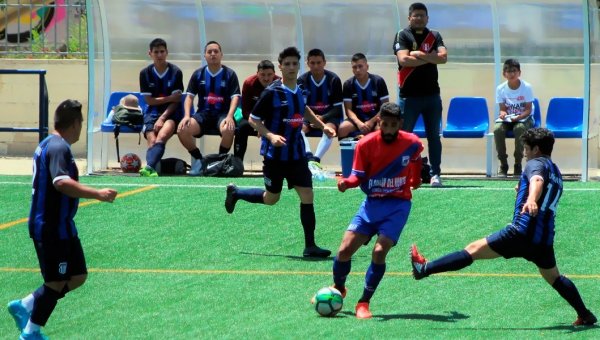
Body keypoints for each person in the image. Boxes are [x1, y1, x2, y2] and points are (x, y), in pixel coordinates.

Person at [411, 128, 597, 327]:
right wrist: (523, 190)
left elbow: (537, 180)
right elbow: (538, 183)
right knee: (555, 278)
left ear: (536, 149)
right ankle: (585, 314)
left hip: (521, 231)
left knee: (472, 250)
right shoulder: (556, 172)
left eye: (526, 149)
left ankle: (424, 268)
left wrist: (531, 199)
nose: (525, 153)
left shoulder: (535, 164)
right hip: (543, 240)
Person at [7, 100, 118, 339]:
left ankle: (25, 305)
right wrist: (97, 194)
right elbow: (61, 183)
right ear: (75, 124)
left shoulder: (51, 143)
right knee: (56, 282)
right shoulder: (59, 147)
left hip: (64, 227)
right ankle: (31, 331)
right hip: (50, 227)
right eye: (81, 122)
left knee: (77, 276)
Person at [224, 47, 336, 258]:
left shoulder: (301, 89)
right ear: (280, 67)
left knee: (307, 195)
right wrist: (270, 136)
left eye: (295, 64)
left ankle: (310, 246)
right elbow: (254, 120)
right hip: (275, 157)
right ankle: (236, 193)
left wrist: (323, 126)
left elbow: (304, 110)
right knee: (271, 198)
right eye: (287, 64)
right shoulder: (271, 93)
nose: (292, 68)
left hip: (296, 155)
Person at [330, 102, 423, 319]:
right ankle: (339, 287)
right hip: (371, 205)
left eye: (393, 125)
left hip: (397, 205)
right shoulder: (365, 144)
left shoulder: (412, 143)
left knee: (380, 252)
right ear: (379, 122)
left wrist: (416, 179)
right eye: (385, 125)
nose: (388, 130)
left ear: (399, 124)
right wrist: (347, 183)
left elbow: (416, 160)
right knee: (344, 251)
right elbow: (357, 176)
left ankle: (363, 302)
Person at [394, 2, 447, 187]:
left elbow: (443, 58)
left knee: (434, 136)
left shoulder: (434, 35)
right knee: (404, 136)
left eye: (422, 15)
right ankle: (402, 172)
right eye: (415, 15)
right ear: (409, 18)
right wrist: (429, 57)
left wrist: (418, 53)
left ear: (427, 18)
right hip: (409, 97)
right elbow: (404, 60)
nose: (418, 18)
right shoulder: (403, 34)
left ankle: (435, 174)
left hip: (432, 96)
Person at [178, 40, 241, 175]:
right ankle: (199, 160)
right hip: (203, 115)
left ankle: (218, 161)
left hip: (222, 115)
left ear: (221, 55)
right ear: (205, 56)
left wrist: (230, 116)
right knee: (182, 130)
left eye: (216, 51)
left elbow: (235, 97)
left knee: (229, 129)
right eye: (209, 52)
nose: (213, 54)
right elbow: (189, 97)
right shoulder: (198, 74)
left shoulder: (230, 74)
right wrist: (187, 116)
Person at [138, 38, 185, 177]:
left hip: (171, 114)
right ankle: (153, 167)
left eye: (162, 51)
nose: (159, 55)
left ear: (167, 52)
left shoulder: (176, 72)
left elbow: (176, 102)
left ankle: (149, 167)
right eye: (156, 52)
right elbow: (149, 101)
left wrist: (163, 117)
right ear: (150, 53)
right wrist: (170, 98)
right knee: (152, 139)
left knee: (162, 136)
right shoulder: (145, 73)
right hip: (150, 113)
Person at [297, 48, 343, 169]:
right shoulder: (301, 80)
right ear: (308, 64)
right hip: (308, 117)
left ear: (324, 62)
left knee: (330, 130)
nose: (316, 66)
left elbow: (338, 108)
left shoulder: (334, 79)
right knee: (297, 127)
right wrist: (313, 119)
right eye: (312, 63)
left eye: (318, 62)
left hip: (329, 116)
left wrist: (322, 118)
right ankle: (308, 157)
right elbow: (300, 106)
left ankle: (316, 159)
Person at [494, 58, 535, 177]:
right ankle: (503, 164)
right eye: (508, 71)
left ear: (519, 73)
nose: (511, 74)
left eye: (514, 71)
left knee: (519, 128)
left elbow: (528, 110)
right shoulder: (500, 88)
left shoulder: (526, 87)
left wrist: (518, 117)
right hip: (509, 119)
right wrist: (503, 114)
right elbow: (503, 108)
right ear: (504, 74)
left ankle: (517, 164)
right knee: (497, 129)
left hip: (524, 118)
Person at [236, 59, 280, 161]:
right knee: (242, 127)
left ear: (274, 74)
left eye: (269, 75)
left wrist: (266, 123)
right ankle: (238, 161)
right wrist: (258, 124)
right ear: (257, 74)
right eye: (262, 75)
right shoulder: (248, 83)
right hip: (252, 119)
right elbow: (245, 111)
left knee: (282, 127)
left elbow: (281, 109)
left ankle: (276, 162)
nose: (266, 78)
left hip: (272, 120)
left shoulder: (279, 84)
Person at [338, 53, 389, 140]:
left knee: (380, 129)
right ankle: (349, 152)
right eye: (354, 67)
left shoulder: (378, 81)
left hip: (376, 119)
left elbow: (385, 106)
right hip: (357, 120)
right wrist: (358, 123)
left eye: (360, 66)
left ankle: (377, 152)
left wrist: (372, 121)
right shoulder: (348, 84)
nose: (357, 70)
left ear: (367, 66)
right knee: (343, 128)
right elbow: (348, 110)